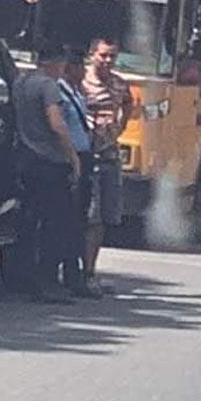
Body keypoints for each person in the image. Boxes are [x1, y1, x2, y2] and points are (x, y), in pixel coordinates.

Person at [12, 42, 82, 304]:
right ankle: (47, 282)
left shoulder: (20, 83)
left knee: (29, 222)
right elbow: (56, 123)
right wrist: (72, 156)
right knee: (56, 224)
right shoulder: (49, 86)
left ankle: (25, 277)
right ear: (56, 63)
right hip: (49, 161)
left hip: (25, 159)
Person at [81, 36, 133, 296]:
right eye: (103, 55)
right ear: (92, 55)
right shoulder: (81, 82)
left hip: (108, 155)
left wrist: (118, 127)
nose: (108, 60)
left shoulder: (119, 84)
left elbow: (128, 103)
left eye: (112, 56)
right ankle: (76, 273)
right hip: (85, 156)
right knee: (88, 218)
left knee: (103, 219)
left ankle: (90, 271)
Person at [57, 48, 98, 299]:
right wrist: (72, 160)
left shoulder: (76, 93)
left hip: (84, 156)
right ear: (68, 68)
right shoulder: (60, 94)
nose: (84, 71)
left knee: (81, 219)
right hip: (71, 159)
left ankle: (78, 273)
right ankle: (70, 275)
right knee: (70, 221)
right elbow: (60, 128)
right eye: (79, 66)